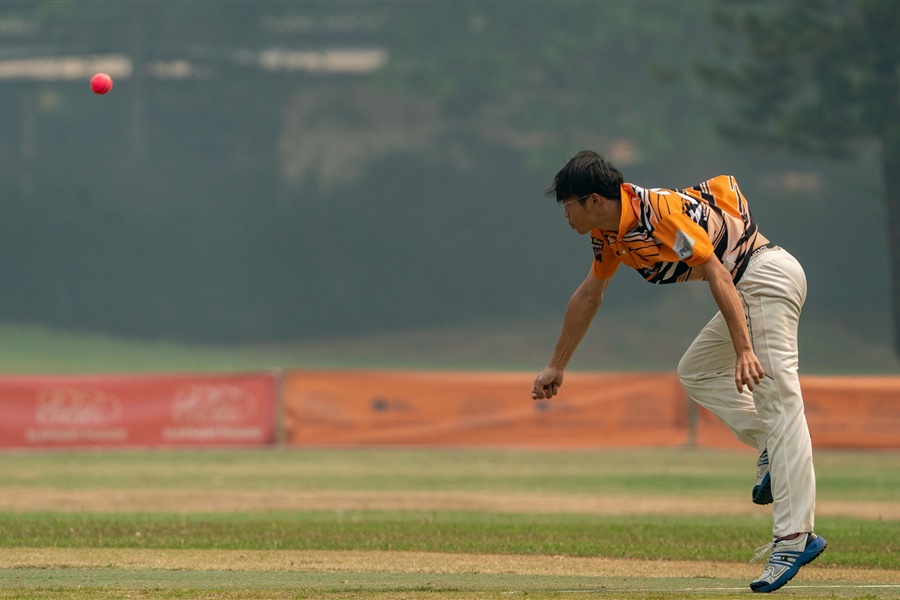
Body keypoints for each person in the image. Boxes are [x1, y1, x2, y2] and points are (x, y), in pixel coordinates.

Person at [530, 150, 826, 593]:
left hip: (762, 278)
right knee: (697, 371)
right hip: (748, 285)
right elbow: (590, 294)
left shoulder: (659, 215)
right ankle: (769, 446)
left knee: (780, 403)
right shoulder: (610, 236)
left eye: (568, 205)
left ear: (593, 201)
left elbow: (716, 273)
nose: (565, 215)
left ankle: (794, 536)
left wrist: (744, 348)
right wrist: (557, 364)